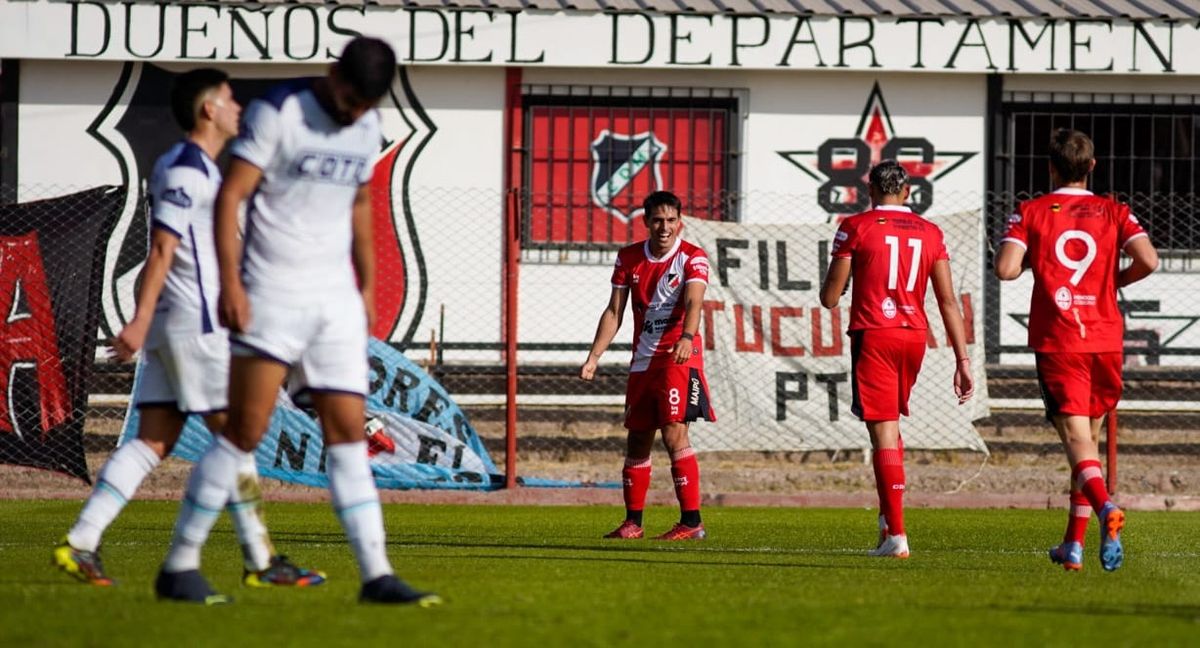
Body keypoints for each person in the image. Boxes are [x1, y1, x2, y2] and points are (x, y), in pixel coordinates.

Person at [155, 37, 439, 606]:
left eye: (365, 104)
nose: (354, 112)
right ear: (333, 74)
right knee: (244, 431)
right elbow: (231, 197)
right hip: (273, 295)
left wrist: (366, 288)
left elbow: (360, 204)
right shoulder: (277, 112)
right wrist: (232, 285)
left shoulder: (366, 124)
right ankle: (181, 564)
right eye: (350, 98)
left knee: (349, 436)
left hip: (333, 302)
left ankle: (376, 575)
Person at [53, 69, 323, 591]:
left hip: (178, 327)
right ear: (208, 110)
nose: (237, 108)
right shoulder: (185, 170)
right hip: (193, 329)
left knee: (153, 440)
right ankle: (259, 560)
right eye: (228, 99)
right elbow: (160, 249)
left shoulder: (201, 169)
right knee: (237, 437)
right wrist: (139, 320)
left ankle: (81, 542)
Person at [995, 129, 1158, 572]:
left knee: (1075, 441)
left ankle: (1106, 508)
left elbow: (1006, 269)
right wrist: (1111, 283)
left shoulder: (1032, 211)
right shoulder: (1114, 211)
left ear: (1050, 167)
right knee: (1089, 442)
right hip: (1104, 338)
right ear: (1091, 167)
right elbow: (1149, 260)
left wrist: (1036, 259)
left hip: (1060, 338)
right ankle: (1073, 545)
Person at [820, 160, 974, 559]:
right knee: (892, 428)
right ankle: (889, 519)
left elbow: (830, 297)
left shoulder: (856, 227)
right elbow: (947, 301)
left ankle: (897, 537)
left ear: (870, 191)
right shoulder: (931, 232)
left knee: (882, 432)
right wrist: (963, 359)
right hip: (914, 337)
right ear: (907, 193)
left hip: (875, 334)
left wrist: (850, 274)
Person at [580, 191, 716, 541]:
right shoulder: (628, 258)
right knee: (637, 437)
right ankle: (633, 523)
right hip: (642, 362)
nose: (665, 227)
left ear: (680, 222)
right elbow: (614, 312)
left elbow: (694, 301)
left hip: (677, 357)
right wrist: (594, 357)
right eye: (658, 220)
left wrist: (687, 336)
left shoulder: (692, 258)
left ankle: (691, 521)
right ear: (646, 222)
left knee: (674, 431)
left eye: (671, 220)